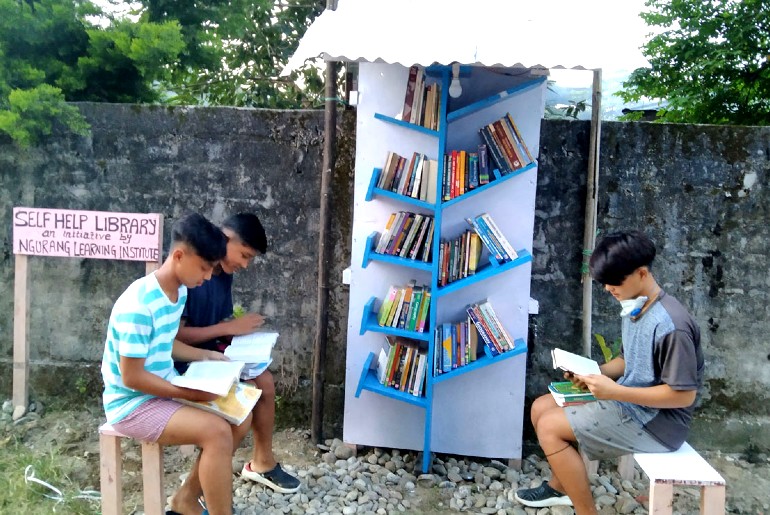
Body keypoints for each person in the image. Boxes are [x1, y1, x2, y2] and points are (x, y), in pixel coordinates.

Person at [515, 230, 704, 514]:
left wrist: (614, 391)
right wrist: (591, 372)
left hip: (657, 424)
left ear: (641, 273)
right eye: (605, 282)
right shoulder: (636, 306)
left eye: (615, 282)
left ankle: (585, 511)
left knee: (549, 427)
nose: (608, 289)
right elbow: (629, 360)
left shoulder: (671, 326)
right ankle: (559, 487)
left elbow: (683, 396)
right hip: (630, 402)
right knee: (541, 407)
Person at [101, 212, 251, 515]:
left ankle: (186, 499)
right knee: (217, 432)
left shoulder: (178, 292)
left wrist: (208, 356)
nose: (208, 277)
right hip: (132, 404)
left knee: (241, 415)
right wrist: (186, 393)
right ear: (178, 255)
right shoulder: (138, 305)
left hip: (163, 388)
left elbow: (167, 343)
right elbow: (131, 377)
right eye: (204, 268)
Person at [175, 212, 301, 494]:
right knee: (239, 415)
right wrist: (229, 328)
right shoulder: (191, 271)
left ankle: (262, 463)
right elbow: (175, 338)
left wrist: (240, 332)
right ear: (226, 238)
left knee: (265, 381)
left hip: (214, 356)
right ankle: (190, 494)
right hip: (187, 363)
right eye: (244, 255)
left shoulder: (222, 274)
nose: (244, 265)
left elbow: (219, 324)